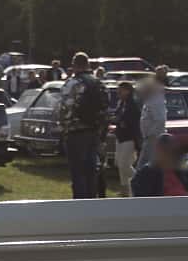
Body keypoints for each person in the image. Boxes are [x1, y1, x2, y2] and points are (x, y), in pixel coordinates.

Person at [58, 52, 108, 199]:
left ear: (74, 65)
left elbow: (63, 110)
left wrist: (63, 129)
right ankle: (92, 202)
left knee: (78, 173)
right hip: (94, 133)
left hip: (75, 133)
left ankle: (80, 205)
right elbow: (105, 110)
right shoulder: (99, 83)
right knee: (91, 171)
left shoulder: (72, 83)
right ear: (88, 65)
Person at [111, 80, 141, 193]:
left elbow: (131, 121)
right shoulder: (121, 103)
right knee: (119, 163)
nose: (118, 92)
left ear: (128, 91)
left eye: (120, 90)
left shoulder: (132, 104)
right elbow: (117, 116)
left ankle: (140, 180)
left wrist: (120, 121)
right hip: (120, 136)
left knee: (124, 164)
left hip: (129, 138)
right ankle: (125, 189)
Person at [137, 73, 166, 159]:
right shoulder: (149, 100)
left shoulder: (156, 102)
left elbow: (160, 120)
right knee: (144, 165)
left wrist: (151, 135)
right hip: (148, 138)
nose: (141, 92)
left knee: (146, 165)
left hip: (153, 138)